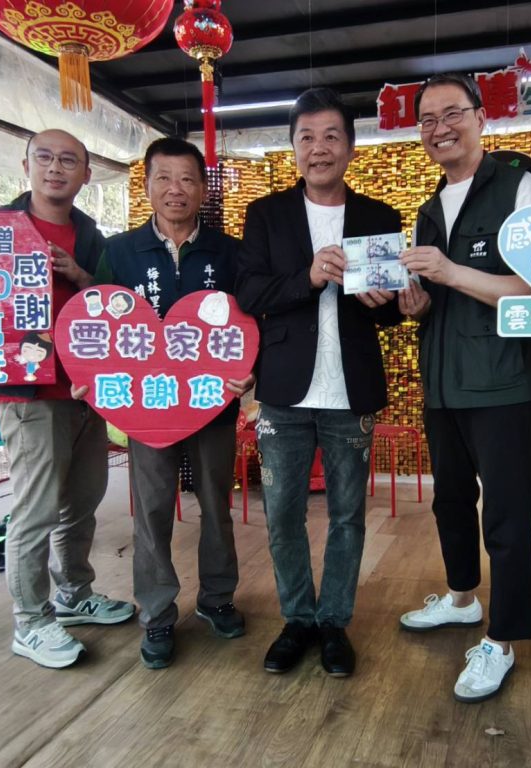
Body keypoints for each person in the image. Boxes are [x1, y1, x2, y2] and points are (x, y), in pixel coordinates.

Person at [0, 129, 134, 669]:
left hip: (85, 390)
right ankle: (31, 620)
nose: (56, 168)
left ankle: (74, 594)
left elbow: (116, 306)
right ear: (26, 165)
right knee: (36, 511)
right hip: (28, 396)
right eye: (45, 157)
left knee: (82, 503)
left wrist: (81, 275)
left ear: (86, 174)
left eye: (69, 160)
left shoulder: (92, 236)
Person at [396, 73, 531, 703]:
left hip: (502, 382)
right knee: (451, 501)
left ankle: (503, 639)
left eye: (452, 114)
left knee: (508, 517)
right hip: (443, 382)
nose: (440, 129)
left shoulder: (519, 184)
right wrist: (417, 304)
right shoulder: (430, 207)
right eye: (428, 120)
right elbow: (437, 298)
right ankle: (462, 598)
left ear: (481, 118)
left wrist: (452, 272)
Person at [236, 87, 403, 678]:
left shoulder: (380, 217)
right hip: (284, 390)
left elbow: (389, 312)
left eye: (331, 135)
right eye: (306, 137)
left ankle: (333, 621)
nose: (319, 148)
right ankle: (297, 620)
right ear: (294, 148)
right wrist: (306, 277)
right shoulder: (267, 214)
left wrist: (390, 301)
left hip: (350, 391)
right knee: (282, 514)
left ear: (351, 147)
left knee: (348, 515)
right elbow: (249, 291)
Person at [88, 137, 253, 670]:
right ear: (147, 186)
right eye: (163, 178)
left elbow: (251, 322)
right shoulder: (120, 252)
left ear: (203, 188)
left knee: (216, 503)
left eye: (187, 179)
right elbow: (98, 324)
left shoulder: (230, 253)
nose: (175, 189)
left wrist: (249, 374)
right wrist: (92, 379)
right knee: (153, 507)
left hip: (212, 401)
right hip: (147, 405)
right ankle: (157, 613)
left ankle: (217, 598)